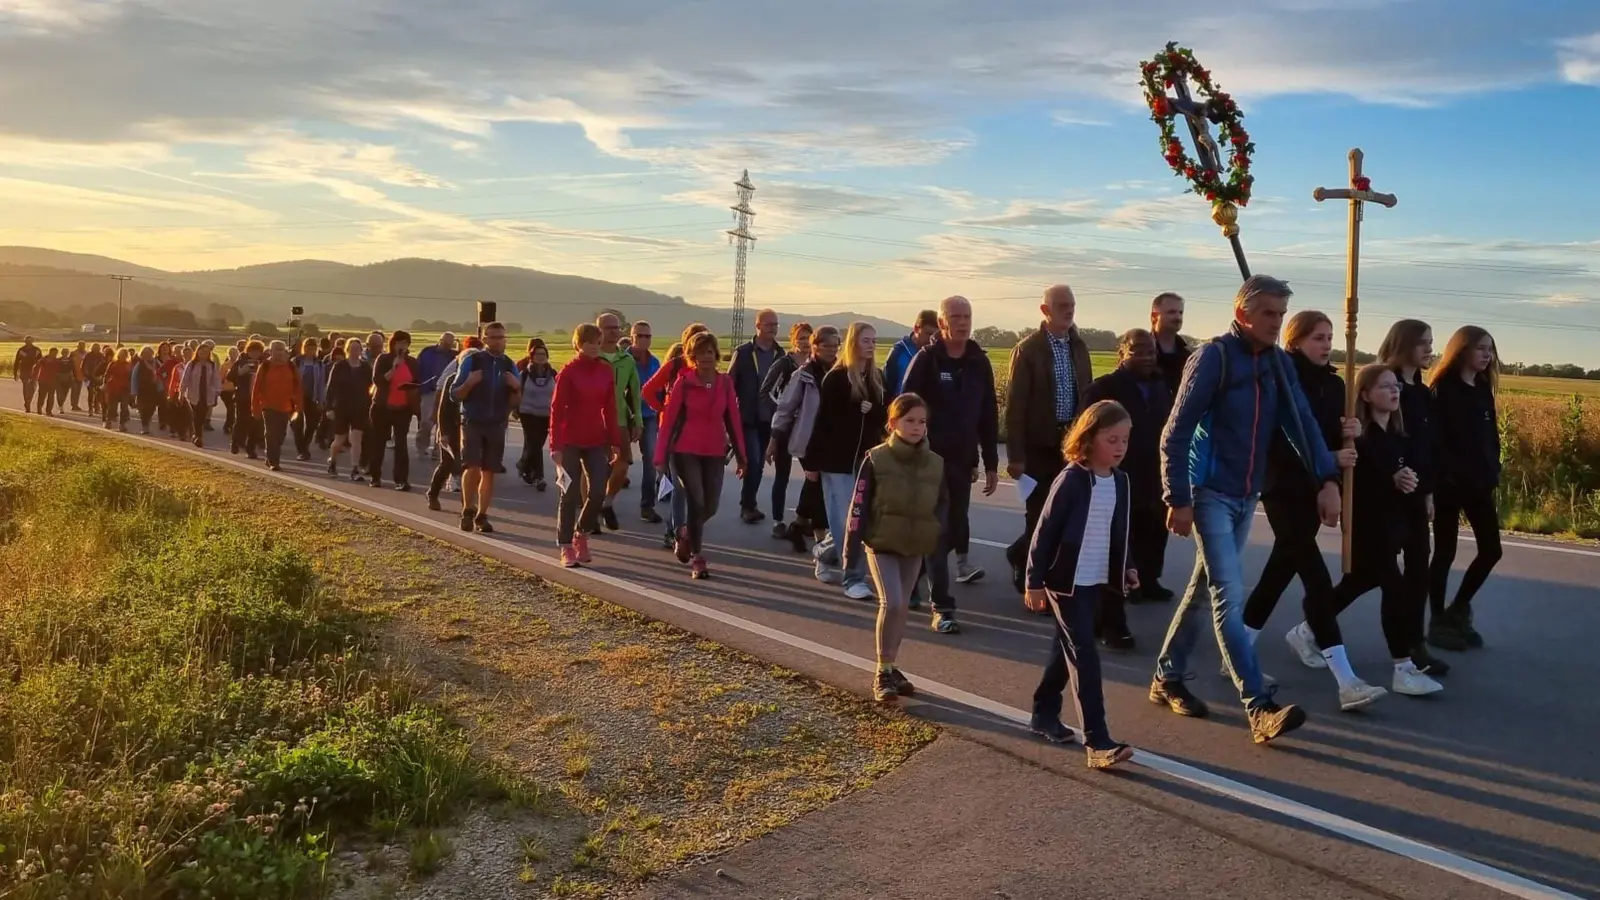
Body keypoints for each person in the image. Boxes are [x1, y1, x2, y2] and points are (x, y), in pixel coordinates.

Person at [1151, 275, 1341, 745]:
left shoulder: (1277, 363)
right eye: (1268, 314)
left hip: (1247, 492)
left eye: (1280, 314)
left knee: (1203, 589)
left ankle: (1167, 675)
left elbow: (1303, 427)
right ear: (1242, 314)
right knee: (1228, 595)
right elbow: (1174, 433)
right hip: (1209, 491)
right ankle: (1258, 706)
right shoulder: (1212, 358)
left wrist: (1328, 477)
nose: (1276, 323)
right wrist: (1177, 497)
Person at [1238, 314, 1384, 710]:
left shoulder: (1336, 384)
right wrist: (1329, 457)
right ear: (1296, 340)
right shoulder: (1281, 379)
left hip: (1314, 486)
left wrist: (1334, 475)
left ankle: (1238, 649)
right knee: (1317, 579)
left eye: (1330, 338)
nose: (1326, 344)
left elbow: (1333, 439)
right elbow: (1278, 441)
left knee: (1279, 571)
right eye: (1318, 338)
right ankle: (1346, 679)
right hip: (1282, 485)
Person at [1023, 400, 1138, 770]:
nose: (1120, 446)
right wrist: (1034, 582)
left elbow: (1118, 531)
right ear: (1088, 439)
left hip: (1096, 579)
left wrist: (1128, 567)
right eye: (1111, 438)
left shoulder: (1120, 481)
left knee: (1067, 647)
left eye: (1125, 439)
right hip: (1065, 582)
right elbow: (1044, 533)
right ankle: (1098, 742)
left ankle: (1043, 713)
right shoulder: (1072, 479)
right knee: (1084, 655)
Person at [901, 295, 999, 632]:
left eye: (967, 315)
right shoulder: (927, 360)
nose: (962, 321)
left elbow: (988, 413)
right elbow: (903, 408)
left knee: (954, 527)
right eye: (955, 316)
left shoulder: (978, 361)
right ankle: (942, 607)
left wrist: (990, 461)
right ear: (942, 323)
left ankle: (913, 583)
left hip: (962, 461)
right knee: (937, 533)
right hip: (927, 461)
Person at [842, 393, 947, 702]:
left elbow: (942, 507)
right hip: (881, 542)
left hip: (914, 545)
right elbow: (858, 505)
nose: (916, 427)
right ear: (892, 424)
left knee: (902, 610)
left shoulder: (935, 463)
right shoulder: (875, 458)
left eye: (922, 421)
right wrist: (850, 552)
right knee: (894, 603)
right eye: (909, 421)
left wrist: (939, 539)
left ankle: (891, 665)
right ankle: (882, 671)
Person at [1084, 328, 1175, 649]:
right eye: (1138, 350)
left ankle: (1147, 582)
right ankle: (1108, 622)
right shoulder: (1105, 389)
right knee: (1114, 549)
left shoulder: (1161, 386)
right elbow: (1086, 434)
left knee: (1152, 532)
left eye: (1150, 350)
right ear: (1122, 353)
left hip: (1153, 473)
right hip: (1115, 477)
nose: (1147, 356)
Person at [1005, 284, 1094, 597]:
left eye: (1071, 304)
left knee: (1065, 513)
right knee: (1039, 513)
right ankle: (1031, 579)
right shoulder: (1028, 349)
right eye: (1060, 305)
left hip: (1070, 444)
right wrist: (1015, 456)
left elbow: (1088, 394)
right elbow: (1015, 406)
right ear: (1045, 310)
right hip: (1038, 445)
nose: (1068, 310)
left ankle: (1020, 554)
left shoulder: (1079, 346)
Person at [1376, 319, 1448, 674]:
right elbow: (1377, 439)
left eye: (1431, 343)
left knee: (1420, 570)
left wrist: (1429, 491)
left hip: (1417, 493)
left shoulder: (1421, 392)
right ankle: (1316, 625)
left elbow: (1427, 447)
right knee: (1371, 575)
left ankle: (1414, 644)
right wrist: (1392, 471)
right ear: (1404, 344)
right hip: (1388, 495)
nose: (1429, 349)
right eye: (1423, 343)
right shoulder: (1384, 384)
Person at [1427, 325, 1503, 651]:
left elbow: (1490, 434)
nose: (1487, 355)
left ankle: (1458, 609)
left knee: (1491, 550)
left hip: (1480, 483)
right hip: (1450, 484)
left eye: (1490, 350)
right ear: (1461, 351)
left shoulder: (1482, 386)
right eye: (1480, 349)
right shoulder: (1443, 388)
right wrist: (1444, 477)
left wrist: (1493, 467)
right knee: (1445, 553)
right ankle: (1437, 620)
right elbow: (1436, 440)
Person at [655, 331, 748, 578]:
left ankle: (684, 532)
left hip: (714, 451)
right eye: (700, 352)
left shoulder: (724, 383)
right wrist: (660, 457)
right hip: (685, 451)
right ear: (692, 356)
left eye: (709, 351)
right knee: (696, 502)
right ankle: (698, 558)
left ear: (715, 354)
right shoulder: (683, 383)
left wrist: (742, 456)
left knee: (711, 505)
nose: (706, 356)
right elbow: (669, 422)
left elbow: (733, 420)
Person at [812, 322, 888, 603]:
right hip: (836, 461)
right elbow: (824, 422)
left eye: (874, 340)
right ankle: (853, 579)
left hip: (867, 460)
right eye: (866, 340)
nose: (871, 345)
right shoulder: (836, 378)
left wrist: (874, 410)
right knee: (846, 523)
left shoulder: (877, 378)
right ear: (853, 343)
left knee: (862, 521)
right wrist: (812, 462)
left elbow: (886, 416)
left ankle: (822, 551)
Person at [551, 323, 621, 565]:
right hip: (569, 439)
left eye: (596, 341)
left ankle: (581, 534)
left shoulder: (605, 370)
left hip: (595, 439)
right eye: (588, 342)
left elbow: (610, 408)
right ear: (578, 344)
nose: (593, 346)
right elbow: (557, 410)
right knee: (568, 494)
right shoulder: (568, 372)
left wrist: (614, 440)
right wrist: (555, 446)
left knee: (599, 491)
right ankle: (566, 546)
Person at [642, 324, 712, 547]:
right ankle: (675, 531)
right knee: (680, 485)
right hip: (674, 432)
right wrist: (662, 409)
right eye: (695, 340)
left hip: (700, 433)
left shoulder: (707, 369)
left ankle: (681, 528)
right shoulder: (675, 366)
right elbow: (648, 390)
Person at [451, 322, 522, 532]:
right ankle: (467, 509)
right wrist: (470, 382)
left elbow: (517, 401)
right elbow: (454, 394)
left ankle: (482, 514)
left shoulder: (509, 364)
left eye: (501, 337)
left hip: (497, 423)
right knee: (471, 466)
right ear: (485, 339)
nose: (498, 341)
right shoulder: (472, 361)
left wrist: (516, 387)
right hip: (473, 420)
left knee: (489, 471)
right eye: (493, 337)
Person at [759, 321, 814, 547]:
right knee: (782, 474)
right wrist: (786, 411)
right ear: (793, 340)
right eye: (801, 338)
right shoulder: (783, 364)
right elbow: (767, 392)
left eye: (808, 338)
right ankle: (778, 520)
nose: (805, 342)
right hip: (785, 428)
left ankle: (805, 518)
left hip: (807, 429)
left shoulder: (815, 365)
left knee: (813, 475)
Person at [730, 309, 782, 524]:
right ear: (758, 326)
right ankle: (747, 505)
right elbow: (730, 383)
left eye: (775, 324)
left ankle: (749, 503)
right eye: (768, 324)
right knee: (754, 460)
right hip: (748, 417)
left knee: (760, 463)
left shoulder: (781, 355)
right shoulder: (743, 353)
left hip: (770, 418)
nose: (773, 328)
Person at [594, 313, 642, 532]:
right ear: (599, 330)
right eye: (608, 327)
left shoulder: (626, 360)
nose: (614, 331)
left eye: (617, 327)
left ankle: (607, 502)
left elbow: (634, 393)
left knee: (623, 464)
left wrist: (638, 421)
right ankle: (591, 513)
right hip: (592, 418)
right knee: (593, 468)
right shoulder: (592, 357)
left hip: (619, 419)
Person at [428, 336, 484, 511]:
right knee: (448, 464)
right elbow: (444, 409)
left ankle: (467, 505)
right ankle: (433, 493)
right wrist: (443, 433)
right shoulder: (452, 379)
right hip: (451, 428)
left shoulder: (481, 380)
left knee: (471, 467)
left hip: (471, 428)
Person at [367, 331, 418, 491]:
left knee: (401, 444)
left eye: (405, 343)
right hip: (382, 408)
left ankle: (401, 479)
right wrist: (394, 368)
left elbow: (416, 383)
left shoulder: (412, 362)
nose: (402, 346)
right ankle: (375, 476)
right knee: (378, 443)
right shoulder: (384, 359)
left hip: (403, 409)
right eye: (399, 343)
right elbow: (378, 381)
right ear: (392, 344)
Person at [629, 322, 663, 523]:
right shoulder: (621, 359)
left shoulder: (654, 362)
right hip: (625, 415)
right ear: (632, 336)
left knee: (651, 460)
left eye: (648, 336)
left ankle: (647, 506)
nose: (644, 340)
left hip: (648, 415)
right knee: (617, 463)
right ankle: (602, 502)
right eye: (640, 335)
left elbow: (660, 390)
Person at [252, 340, 303, 472]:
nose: (279, 353)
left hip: (286, 407)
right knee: (271, 433)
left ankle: (269, 457)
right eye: (276, 350)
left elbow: (298, 386)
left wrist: (298, 405)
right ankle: (274, 461)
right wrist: (255, 407)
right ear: (270, 351)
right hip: (268, 406)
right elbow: (256, 388)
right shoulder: (265, 366)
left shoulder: (291, 366)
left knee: (280, 435)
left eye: (281, 350)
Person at [325, 338, 372, 480]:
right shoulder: (340, 366)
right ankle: (332, 461)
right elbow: (331, 388)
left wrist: (370, 405)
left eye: (358, 348)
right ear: (347, 350)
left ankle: (354, 469)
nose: (355, 351)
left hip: (360, 407)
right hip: (342, 407)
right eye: (352, 348)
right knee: (339, 439)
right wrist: (329, 407)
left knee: (356, 438)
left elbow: (371, 387)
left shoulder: (365, 367)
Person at [516, 338, 557, 491]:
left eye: (543, 354)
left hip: (546, 414)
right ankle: (539, 477)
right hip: (527, 413)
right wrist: (515, 409)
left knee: (537, 444)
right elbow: (517, 391)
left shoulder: (553, 373)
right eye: (537, 354)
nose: (540, 357)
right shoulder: (525, 373)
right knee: (534, 443)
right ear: (532, 357)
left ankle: (524, 465)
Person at [415, 332, 458, 457]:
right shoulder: (427, 352)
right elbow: (418, 368)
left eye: (450, 344)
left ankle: (438, 450)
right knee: (426, 422)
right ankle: (422, 447)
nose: (447, 346)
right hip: (429, 391)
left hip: (447, 393)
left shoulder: (454, 356)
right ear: (440, 341)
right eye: (445, 343)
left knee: (443, 423)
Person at [883, 310, 940, 397]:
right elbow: (887, 386)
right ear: (916, 329)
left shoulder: (938, 353)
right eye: (928, 334)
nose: (931, 339)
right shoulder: (899, 352)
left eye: (935, 335)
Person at [180, 341, 222, 450]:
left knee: (202, 416)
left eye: (206, 352)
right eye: (201, 351)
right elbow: (185, 379)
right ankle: (198, 436)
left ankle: (196, 434)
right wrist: (181, 392)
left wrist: (218, 391)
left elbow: (216, 379)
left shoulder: (211, 365)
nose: (203, 354)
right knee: (196, 415)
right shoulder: (192, 364)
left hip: (207, 394)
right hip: (194, 394)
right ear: (197, 352)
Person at [292, 337, 328, 462]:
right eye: (308, 348)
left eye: (313, 348)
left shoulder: (319, 364)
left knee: (312, 424)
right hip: (297, 397)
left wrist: (321, 400)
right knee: (297, 424)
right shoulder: (296, 361)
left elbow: (321, 383)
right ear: (304, 348)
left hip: (311, 398)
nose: (311, 351)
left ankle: (305, 446)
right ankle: (301, 450)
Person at [228, 342, 263, 458]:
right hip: (242, 397)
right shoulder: (241, 362)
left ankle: (250, 449)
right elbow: (230, 377)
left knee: (256, 424)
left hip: (258, 398)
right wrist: (240, 372)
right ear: (247, 351)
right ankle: (235, 442)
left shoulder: (264, 363)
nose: (254, 354)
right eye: (252, 351)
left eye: (257, 351)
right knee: (241, 422)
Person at [1151, 292, 1190, 395]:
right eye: (1171, 312)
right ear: (1154, 316)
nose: (1178, 317)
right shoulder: (1140, 351)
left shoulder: (1188, 355)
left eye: (1180, 312)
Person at [132, 346, 165, 435]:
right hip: (142, 390)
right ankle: (145, 426)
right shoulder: (140, 364)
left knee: (152, 408)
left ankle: (147, 419)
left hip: (154, 390)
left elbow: (163, 373)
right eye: (145, 354)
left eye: (149, 354)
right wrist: (134, 392)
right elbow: (134, 378)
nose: (148, 355)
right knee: (143, 409)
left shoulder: (156, 363)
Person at [103, 348, 133, 432]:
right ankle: (108, 421)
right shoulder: (113, 364)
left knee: (124, 407)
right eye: (121, 355)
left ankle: (122, 424)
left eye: (124, 355)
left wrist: (131, 389)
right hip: (113, 387)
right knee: (112, 406)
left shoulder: (128, 365)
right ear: (118, 355)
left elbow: (131, 377)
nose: (123, 357)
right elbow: (106, 374)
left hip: (125, 389)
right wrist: (105, 384)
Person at [14, 338, 42, 413]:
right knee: (26, 387)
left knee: (33, 388)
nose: (29, 342)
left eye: (30, 341)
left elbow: (41, 361)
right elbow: (17, 361)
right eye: (27, 341)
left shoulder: (37, 350)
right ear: (25, 342)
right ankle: (27, 404)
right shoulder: (21, 350)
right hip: (24, 372)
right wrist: (15, 373)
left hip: (35, 372)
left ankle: (28, 402)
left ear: (32, 341)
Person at [34, 348, 63, 416]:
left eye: (55, 353)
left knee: (51, 396)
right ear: (50, 353)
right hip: (43, 380)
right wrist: (34, 377)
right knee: (42, 395)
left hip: (52, 381)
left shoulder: (57, 361)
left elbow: (60, 370)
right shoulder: (43, 359)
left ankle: (49, 411)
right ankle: (39, 408)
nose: (54, 355)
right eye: (53, 353)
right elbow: (36, 367)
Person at [219, 347, 240, 436]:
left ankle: (231, 425)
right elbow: (220, 378)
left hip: (236, 390)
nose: (233, 355)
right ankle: (228, 425)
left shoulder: (240, 364)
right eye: (231, 353)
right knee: (231, 408)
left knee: (234, 409)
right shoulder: (225, 366)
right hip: (226, 391)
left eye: (235, 353)